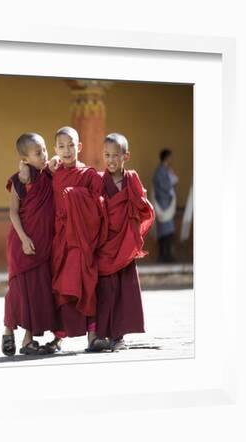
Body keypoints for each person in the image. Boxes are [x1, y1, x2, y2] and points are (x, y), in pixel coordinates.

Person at [26, 127, 109, 354]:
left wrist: (75, 195)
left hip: (82, 241)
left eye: (71, 145)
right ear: (55, 149)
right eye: (61, 146)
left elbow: (99, 204)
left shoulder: (89, 174)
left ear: (79, 147)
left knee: (86, 285)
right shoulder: (54, 172)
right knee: (61, 287)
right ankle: (58, 338)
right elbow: (31, 181)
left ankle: (93, 336)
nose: (67, 150)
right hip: (61, 239)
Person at [96, 133, 155, 350]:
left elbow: (143, 206)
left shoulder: (131, 178)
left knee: (125, 289)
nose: (110, 160)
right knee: (105, 289)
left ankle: (119, 335)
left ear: (125, 156)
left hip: (126, 243)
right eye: (106, 155)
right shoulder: (100, 180)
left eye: (115, 155)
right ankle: (101, 333)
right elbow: (95, 210)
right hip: (107, 242)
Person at [2, 133, 58, 356]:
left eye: (44, 149)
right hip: (22, 242)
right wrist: (24, 239)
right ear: (24, 158)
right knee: (18, 290)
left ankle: (28, 339)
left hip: (43, 245)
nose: (44, 155)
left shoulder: (49, 176)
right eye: (38, 153)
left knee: (36, 291)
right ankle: (8, 330)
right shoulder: (19, 180)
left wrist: (51, 164)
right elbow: (13, 213)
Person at [152, 148, 178, 262]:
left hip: (167, 204)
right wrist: (172, 181)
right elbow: (164, 187)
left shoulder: (166, 170)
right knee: (165, 232)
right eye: (170, 157)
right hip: (163, 205)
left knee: (168, 231)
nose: (172, 159)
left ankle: (166, 255)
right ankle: (164, 256)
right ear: (166, 158)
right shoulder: (160, 171)